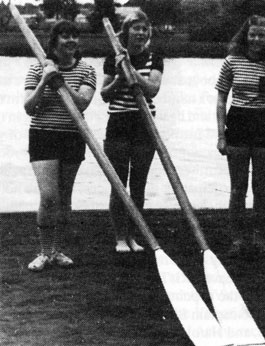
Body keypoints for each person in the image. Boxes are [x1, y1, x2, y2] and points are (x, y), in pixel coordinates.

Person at [24, 20, 96, 271]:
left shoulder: (86, 70)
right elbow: (29, 108)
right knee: (48, 197)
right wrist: (45, 80)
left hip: (72, 137)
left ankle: (57, 250)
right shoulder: (36, 69)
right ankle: (45, 252)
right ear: (54, 42)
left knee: (64, 199)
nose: (71, 41)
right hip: (43, 135)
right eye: (65, 37)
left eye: (75, 37)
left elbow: (82, 104)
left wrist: (61, 82)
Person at [215, 15, 265, 257]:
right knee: (238, 187)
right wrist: (221, 136)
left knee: (261, 188)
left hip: (264, 126)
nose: (256, 39)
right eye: (252, 34)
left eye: (261, 35)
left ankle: (258, 237)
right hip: (238, 124)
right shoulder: (231, 61)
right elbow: (221, 99)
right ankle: (237, 238)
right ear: (245, 36)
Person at [100, 10, 163, 253]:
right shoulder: (111, 57)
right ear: (126, 32)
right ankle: (119, 238)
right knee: (118, 183)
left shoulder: (154, 58)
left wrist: (132, 71)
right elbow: (105, 95)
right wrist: (119, 75)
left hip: (144, 125)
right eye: (136, 28)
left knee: (138, 185)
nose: (141, 32)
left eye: (145, 29)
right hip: (118, 124)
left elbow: (152, 90)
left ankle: (133, 236)